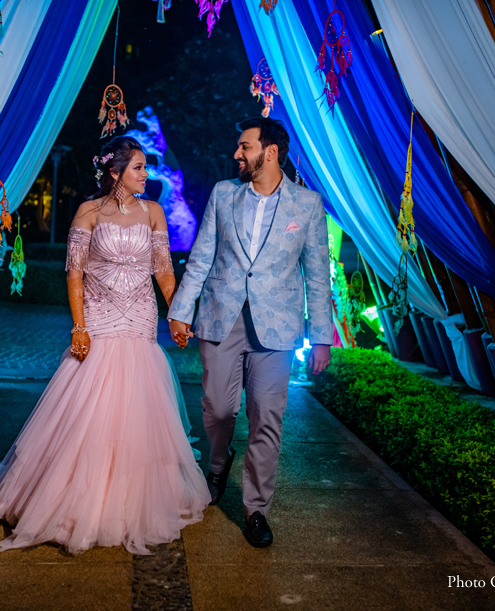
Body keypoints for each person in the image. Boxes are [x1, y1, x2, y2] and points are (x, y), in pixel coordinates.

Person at [0, 136, 210, 555]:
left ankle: (132, 500)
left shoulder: (154, 212)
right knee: (89, 406)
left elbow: (163, 271)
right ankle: (74, 500)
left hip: (139, 319)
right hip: (98, 319)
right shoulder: (88, 211)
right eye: (138, 167)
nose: (146, 174)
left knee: (137, 409)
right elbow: (74, 274)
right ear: (115, 172)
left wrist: (177, 314)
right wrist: (79, 327)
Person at [168, 117, 332, 548]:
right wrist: (181, 310)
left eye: (245, 146)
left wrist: (322, 336)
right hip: (221, 319)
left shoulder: (308, 205)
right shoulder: (224, 194)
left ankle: (256, 510)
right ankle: (218, 463)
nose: (236, 153)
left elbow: (317, 274)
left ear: (270, 152)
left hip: (277, 329)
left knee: (266, 418)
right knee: (219, 409)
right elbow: (201, 256)